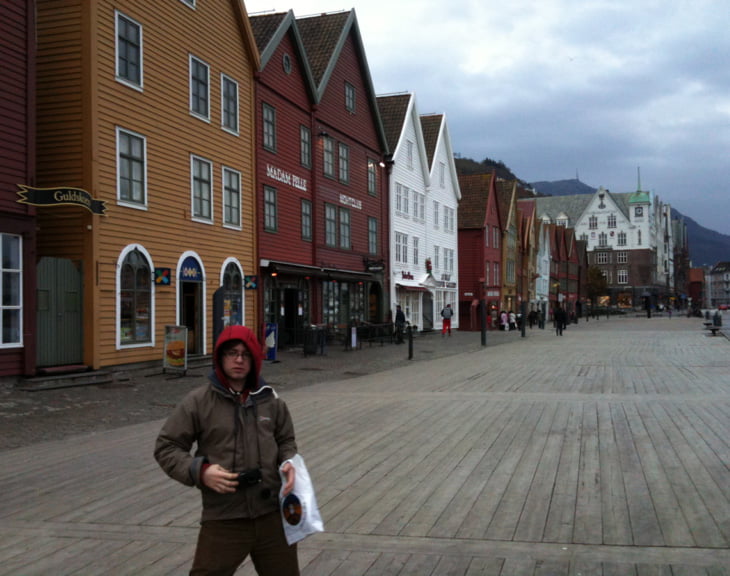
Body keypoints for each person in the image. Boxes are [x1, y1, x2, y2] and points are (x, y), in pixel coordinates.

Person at [154, 325, 300, 576]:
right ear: (220, 357)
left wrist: (288, 462)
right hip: (224, 516)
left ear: (255, 360)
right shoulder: (199, 402)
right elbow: (167, 447)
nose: (239, 360)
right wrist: (200, 471)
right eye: (232, 353)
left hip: (272, 515)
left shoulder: (270, 400)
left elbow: (286, 440)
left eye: (246, 354)